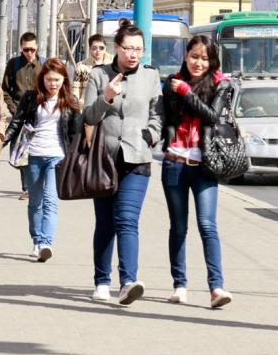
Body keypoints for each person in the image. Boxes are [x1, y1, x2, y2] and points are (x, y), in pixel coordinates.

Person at [83, 19, 163, 305]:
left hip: (137, 159)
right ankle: (102, 280)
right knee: (105, 223)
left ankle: (128, 281)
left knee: (127, 220)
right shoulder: (98, 75)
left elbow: (157, 114)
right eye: (129, 48)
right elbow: (89, 116)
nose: (134, 54)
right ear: (116, 48)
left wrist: (150, 135)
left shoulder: (151, 77)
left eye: (139, 49)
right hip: (104, 159)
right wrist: (105, 98)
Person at [161, 34, 233, 307]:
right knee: (178, 228)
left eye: (204, 58)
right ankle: (180, 285)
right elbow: (165, 117)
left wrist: (186, 93)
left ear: (211, 59)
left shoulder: (220, 84)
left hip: (205, 165)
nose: (198, 63)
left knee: (207, 225)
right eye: (194, 56)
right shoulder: (172, 82)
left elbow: (212, 116)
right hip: (175, 162)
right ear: (185, 56)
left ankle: (217, 288)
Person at [5, 59, 82, 262]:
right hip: (33, 154)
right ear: (43, 79)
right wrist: (1, 142)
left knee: (50, 200)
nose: (53, 84)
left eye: (57, 79)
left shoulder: (69, 101)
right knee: (35, 202)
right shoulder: (31, 98)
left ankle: (46, 243)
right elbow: (17, 122)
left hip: (57, 156)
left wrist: (77, 156)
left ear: (64, 79)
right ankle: (37, 240)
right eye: (49, 79)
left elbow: (75, 133)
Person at [2, 32, 44, 200]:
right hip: (19, 115)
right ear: (21, 48)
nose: (29, 53)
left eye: (32, 50)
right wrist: (14, 110)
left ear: (37, 47)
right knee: (22, 150)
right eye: (26, 50)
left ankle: (38, 185)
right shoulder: (14, 64)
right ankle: (27, 188)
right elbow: (5, 90)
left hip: (40, 113)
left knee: (38, 150)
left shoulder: (43, 64)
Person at [72, 34, 113, 109]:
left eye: (101, 48)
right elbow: (76, 89)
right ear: (90, 48)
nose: (98, 51)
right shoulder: (82, 66)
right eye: (94, 48)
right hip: (87, 106)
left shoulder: (112, 64)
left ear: (105, 48)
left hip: (108, 106)